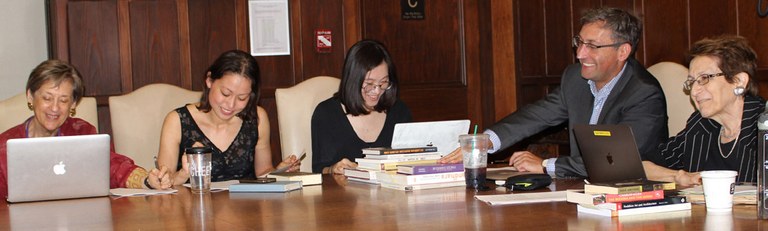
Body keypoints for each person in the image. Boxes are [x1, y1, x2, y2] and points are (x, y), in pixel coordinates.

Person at [439, 7, 668, 179]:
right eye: (579, 42)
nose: (580, 54)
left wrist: (546, 165)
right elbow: (537, 115)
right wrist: (486, 141)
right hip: (582, 189)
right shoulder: (574, 78)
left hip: (634, 195)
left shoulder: (644, 94)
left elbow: (616, 161)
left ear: (623, 51)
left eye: (592, 46)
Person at [0, 60, 172, 198]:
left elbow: (113, 166)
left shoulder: (82, 132)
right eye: (47, 98)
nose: (54, 108)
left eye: (64, 100)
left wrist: (147, 180)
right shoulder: (4, 145)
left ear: (73, 104)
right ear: (30, 96)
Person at [157, 50, 300, 185]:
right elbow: (164, 182)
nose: (231, 104)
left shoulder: (257, 119)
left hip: (246, 209)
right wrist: (184, 173)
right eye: (225, 93)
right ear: (209, 81)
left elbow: (263, 172)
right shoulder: (177, 121)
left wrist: (279, 172)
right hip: (193, 209)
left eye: (242, 98)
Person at [643, 35, 763, 186]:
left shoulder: (762, 128)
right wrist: (677, 176)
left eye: (704, 78)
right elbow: (642, 165)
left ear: (738, 81)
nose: (694, 91)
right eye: (692, 82)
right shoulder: (701, 125)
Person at [312, 40, 412, 174]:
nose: (377, 91)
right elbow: (319, 170)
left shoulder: (399, 111)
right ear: (353, 80)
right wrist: (333, 169)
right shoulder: (327, 114)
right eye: (369, 84)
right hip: (345, 193)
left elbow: (411, 161)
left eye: (383, 83)